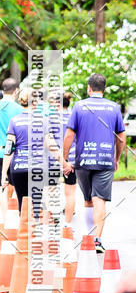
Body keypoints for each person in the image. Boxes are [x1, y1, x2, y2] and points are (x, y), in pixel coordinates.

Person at [63, 74, 126, 253]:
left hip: (83, 160)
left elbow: (69, 135)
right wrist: (117, 158)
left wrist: (65, 159)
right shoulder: (114, 108)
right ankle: (97, 239)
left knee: (88, 199)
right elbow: (121, 137)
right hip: (105, 159)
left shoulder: (79, 106)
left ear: (89, 88)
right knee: (100, 200)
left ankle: (88, 236)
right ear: (104, 89)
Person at [1, 88, 49, 213]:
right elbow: (50, 146)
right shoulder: (43, 121)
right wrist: (64, 163)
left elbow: (9, 149)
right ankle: (35, 229)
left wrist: (3, 174)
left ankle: (23, 228)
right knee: (36, 204)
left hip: (19, 167)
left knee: (22, 203)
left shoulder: (14, 121)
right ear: (35, 102)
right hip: (38, 167)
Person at [61, 92, 77, 225]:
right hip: (71, 159)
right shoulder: (74, 118)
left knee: (50, 189)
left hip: (52, 160)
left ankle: (52, 216)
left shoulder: (50, 119)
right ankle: (67, 223)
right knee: (70, 192)